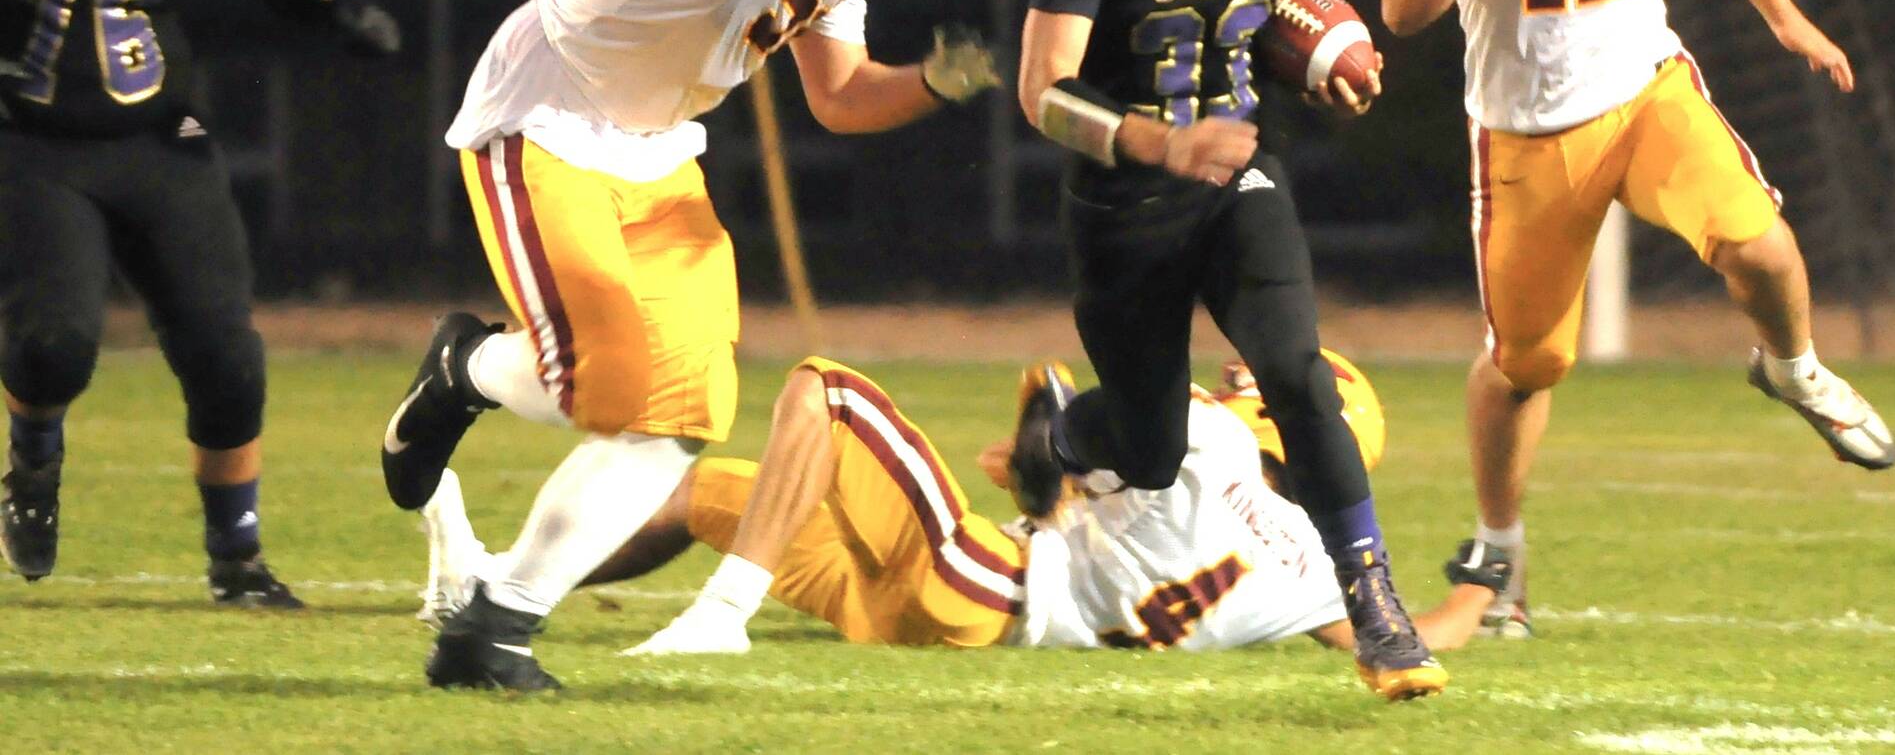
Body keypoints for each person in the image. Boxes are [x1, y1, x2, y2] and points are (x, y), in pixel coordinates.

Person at [379, 0, 1046, 692]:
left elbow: (841, 95)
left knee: (681, 416)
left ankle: (492, 626)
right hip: (549, 119)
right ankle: (464, 369)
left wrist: (939, 84)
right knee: (597, 388)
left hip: (657, 148)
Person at [1366, 0, 1895, 638]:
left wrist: (1781, 16)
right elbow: (1399, 8)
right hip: (1523, 135)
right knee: (1525, 363)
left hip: (1643, 90)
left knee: (1760, 244)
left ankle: (1789, 366)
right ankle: (1499, 548)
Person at [999, 0, 1444, 703]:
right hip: (1122, 207)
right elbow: (1039, 93)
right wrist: (1158, 144)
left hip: (1237, 176)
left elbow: (1262, 8)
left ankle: (1373, 602)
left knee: (1298, 374)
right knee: (1148, 452)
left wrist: (1320, 60)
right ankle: (1059, 433)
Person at [0, 0, 402, 606]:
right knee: (54, 343)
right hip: (33, 135)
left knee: (226, 355)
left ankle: (239, 564)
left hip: (160, 137)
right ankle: (34, 454)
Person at [413, 352, 1512, 658]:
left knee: (824, 390)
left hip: (976, 578)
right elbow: (1411, 637)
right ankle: (491, 588)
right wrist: (1477, 582)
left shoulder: (1206, 431)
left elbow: (1028, 440)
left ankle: (722, 616)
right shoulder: (1316, 572)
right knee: (711, 491)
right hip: (932, 612)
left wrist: (1043, 433)